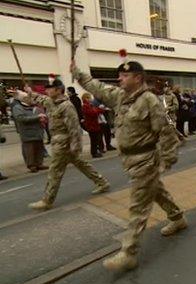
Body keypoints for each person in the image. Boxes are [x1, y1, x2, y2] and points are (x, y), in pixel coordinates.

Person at [71, 55, 186, 271]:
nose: (119, 79)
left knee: (138, 205)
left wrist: (169, 158)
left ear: (138, 78)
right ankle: (177, 217)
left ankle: (128, 253)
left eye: (124, 75)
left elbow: (166, 130)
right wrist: (78, 74)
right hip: (129, 159)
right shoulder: (120, 96)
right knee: (156, 191)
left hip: (146, 159)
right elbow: (96, 87)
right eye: (119, 75)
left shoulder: (150, 100)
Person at [26, 77, 110, 210]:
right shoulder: (50, 102)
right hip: (57, 141)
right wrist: (29, 92)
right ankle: (102, 182)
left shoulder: (66, 106)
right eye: (46, 88)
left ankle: (47, 200)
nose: (47, 90)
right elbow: (39, 98)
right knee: (81, 164)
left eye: (49, 88)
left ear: (59, 90)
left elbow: (74, 129)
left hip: (64, 143)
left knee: (55, 171)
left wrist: (75, 146)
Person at [11, 92, 48, 172]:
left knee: (39, 148)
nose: (32, 99)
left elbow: (42, 115)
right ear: (24, 99)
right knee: (29, 150)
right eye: (29, 97)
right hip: (27, 133)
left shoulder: (36, 107)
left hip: (38, 131)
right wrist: (37, 117)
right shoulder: (17, 108)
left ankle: (39, 163)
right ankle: (31, 165)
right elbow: (21, 118)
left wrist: (43, 118)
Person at [81, 93, 104, 158]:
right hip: (91, 125)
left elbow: (94, 111)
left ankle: (96, 151)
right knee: (93, 140)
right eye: (89, 98)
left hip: (94, 124)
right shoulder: (85, 106)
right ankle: (94, 152)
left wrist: (100, 110)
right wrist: (100, 110)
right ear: (86, 98)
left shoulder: (89, 105)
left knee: (96, 139)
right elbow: (92, 113)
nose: (91, 99)